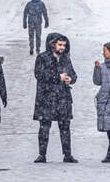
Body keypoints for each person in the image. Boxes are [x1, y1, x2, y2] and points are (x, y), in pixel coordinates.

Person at [33, 33, 78, 163]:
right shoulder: (42, 58)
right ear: (52, 44)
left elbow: (73, 74)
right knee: (44, 127)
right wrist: (58, 77)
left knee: (65, 127)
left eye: (64, 45)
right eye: (60, 45)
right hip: (46, 97)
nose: (62, 48)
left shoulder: (65, 58)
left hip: (63, 97)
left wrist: (71, 79)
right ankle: (42, 154)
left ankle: (67, 154)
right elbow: (39, 74)